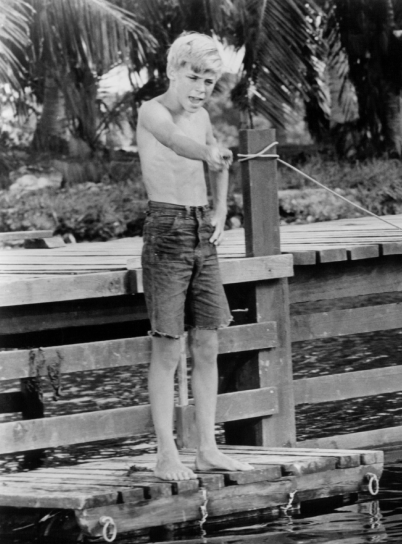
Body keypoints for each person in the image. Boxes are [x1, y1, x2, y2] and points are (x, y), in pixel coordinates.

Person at [137, 32, 252, 480]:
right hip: (165, 229)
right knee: (168, 347)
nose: (200, 88)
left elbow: (216, 162)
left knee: (208, 340)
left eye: (209, 80)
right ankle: (167, 452)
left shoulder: (202, 116)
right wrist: (206, 150)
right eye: (193, 77)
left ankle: (208, 448)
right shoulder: (153, 110)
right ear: (172, 72)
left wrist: (222, 208)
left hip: (202, 230)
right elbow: (173, 142)